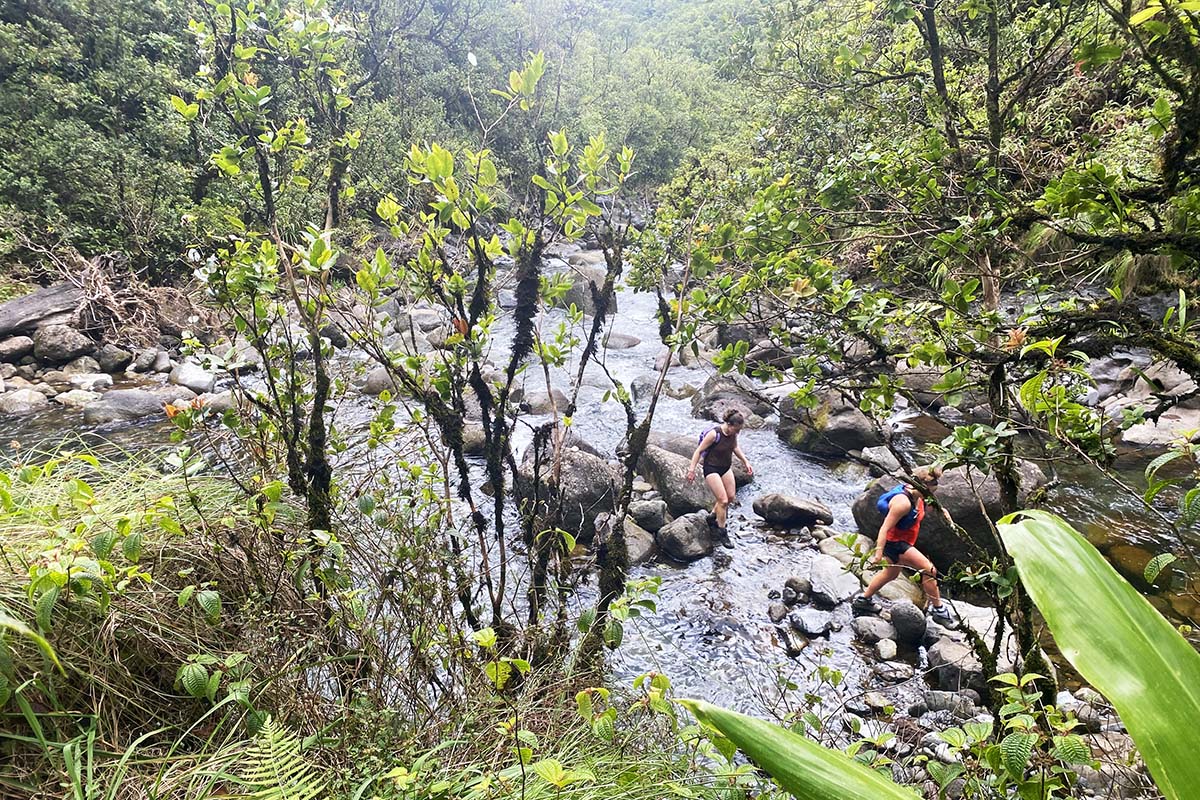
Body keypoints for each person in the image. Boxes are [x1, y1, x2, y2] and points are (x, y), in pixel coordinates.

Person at [852, 465, 957, 627]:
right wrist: (878, 554)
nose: (931, 496)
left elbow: (926, 508)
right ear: (920, 486)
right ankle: (939, 611)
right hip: (895, 543)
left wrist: (941, 510)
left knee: (890, 574)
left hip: (904, 541)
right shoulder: (902, 503)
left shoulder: (918, 495)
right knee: (929, 570)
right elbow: (885, 528)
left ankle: (863, 600)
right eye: (929, 493)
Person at [686, 410, 753, 549]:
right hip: (711, 469)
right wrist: (691, 470)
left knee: (730, 497)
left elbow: (735, 447)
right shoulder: (714, 434)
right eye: (736, 429)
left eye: (740, 429)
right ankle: (722, 532)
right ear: (729, 424)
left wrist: (745, 462)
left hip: (725, 468)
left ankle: (712, 517)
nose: (738, 432)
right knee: (722, 500)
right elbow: (698, 451)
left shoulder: (733, 434)